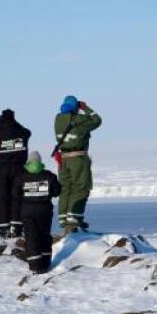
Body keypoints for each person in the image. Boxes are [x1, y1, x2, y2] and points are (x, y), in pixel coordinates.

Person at [54, 96, 102, 232]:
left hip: (63, 159)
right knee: (81, 187)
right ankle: (74, 217)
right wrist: (85, 108)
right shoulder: (79, 120)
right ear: (75, 107)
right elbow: (97, 121)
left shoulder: (57, 119)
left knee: (65, 188)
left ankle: (63, 218)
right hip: (78, 158)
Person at [0, 109, 31, 239]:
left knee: (2, 198)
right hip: (20, 169)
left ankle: (3, 227)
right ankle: (17, 225)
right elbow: (28, 132)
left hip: (2, 170)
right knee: (18, 197)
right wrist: (16, 124)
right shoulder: (21, 133)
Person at [12, 151, 61, 274]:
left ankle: (35, 266)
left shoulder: (21, 177)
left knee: (32, 237)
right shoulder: (49, 176)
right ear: (40, 162)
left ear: (29, 162)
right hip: (44, 211)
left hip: (27, 211)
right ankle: (45, 262)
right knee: (44, 235)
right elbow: (57, 191)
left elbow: (15, 194)